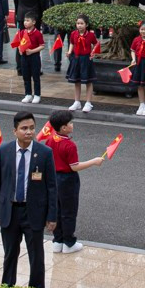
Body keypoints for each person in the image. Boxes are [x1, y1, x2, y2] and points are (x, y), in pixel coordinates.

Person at [0, 110, 57, 288]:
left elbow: (52, 187)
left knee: (36, 256)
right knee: (10, 254)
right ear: (15, 131)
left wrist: (52, 216)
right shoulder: (4, 150)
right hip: (9, 211)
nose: (29, 132)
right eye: (24, 128)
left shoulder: (45, 153)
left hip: (33, 212)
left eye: (32, 128)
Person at [45, 109, 106, 254]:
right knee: (69, 211)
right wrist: (94, 161)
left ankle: (58, 240)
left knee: (56, 209)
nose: (72, 125)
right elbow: (75, 166)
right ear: (64, 128)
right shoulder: (69, 145)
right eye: (70, 123)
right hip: (67, 180)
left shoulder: (50, 139)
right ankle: (69, 242)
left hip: (53, 178)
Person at [64, 13, 98, 112]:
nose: (79, 25)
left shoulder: (90, 35)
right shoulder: (74, 34)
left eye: (82, 23)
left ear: (86, 24)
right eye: (78, 23)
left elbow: (95, 44)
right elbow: (72, 43)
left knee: (88, 81)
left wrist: (93, 53)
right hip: (76, 59)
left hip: (86, 60)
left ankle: (88, 102)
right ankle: (77, 102)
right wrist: (69, 51)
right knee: (76, 81)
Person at [11, 15, 45, 104]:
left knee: (36, 76)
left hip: (34, 57)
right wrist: (20, 49)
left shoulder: (37, 33)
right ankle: (28, 94)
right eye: (24, 20)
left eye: (27, 20)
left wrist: (32, 51)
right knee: (26, 76)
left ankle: (37, 95)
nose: (25, 22)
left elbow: (42, 46)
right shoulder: (22, 32)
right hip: (24, 57)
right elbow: (18, 43)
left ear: (33, 22)